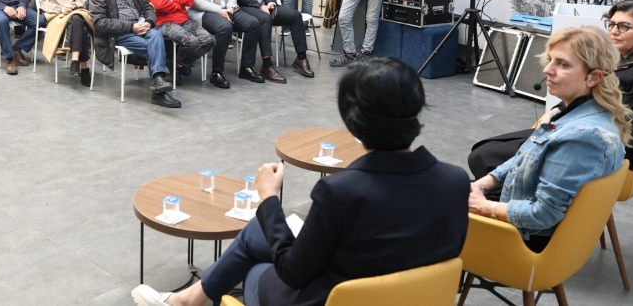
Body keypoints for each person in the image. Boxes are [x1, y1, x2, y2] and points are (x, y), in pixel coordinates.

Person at [132, 57, 469, 306]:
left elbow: (292, 272)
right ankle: (188, 300)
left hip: (333, 298)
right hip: (411, 297)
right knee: (257, 232)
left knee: (255, 270)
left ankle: (189, 300)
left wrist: (269, 199)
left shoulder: (341, 191)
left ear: (353, 122)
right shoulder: (455, 181)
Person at [468, 0, 633, 180]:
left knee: (486, 157)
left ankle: (505, 204)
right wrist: (557, 110)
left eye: (624, 27)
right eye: (612, 24)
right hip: (576, 128)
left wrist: (565, 133)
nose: (613, 31)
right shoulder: (625, 60)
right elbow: (586, 94)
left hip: (594, 150)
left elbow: (626, 134)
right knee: (485, 149)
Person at [468, 26, 632, 252]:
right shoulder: (580, 111)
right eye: (550, 60)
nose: (547, 70)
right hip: (520, 213)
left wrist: (483, 207)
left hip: (525, 242)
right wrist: (487, 182)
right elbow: (527, 155)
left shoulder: (582, 136)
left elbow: (542, 215)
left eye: (562, 64)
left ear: (593, 77)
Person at [89, 0, 179, 108]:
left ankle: (158, 83)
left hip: (140, 25)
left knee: (156, 34)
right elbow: (100, 23)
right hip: (117, 33)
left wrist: (149, 22)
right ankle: (159, 91)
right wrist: (131, 27)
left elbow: (147, 7)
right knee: (156, 46)